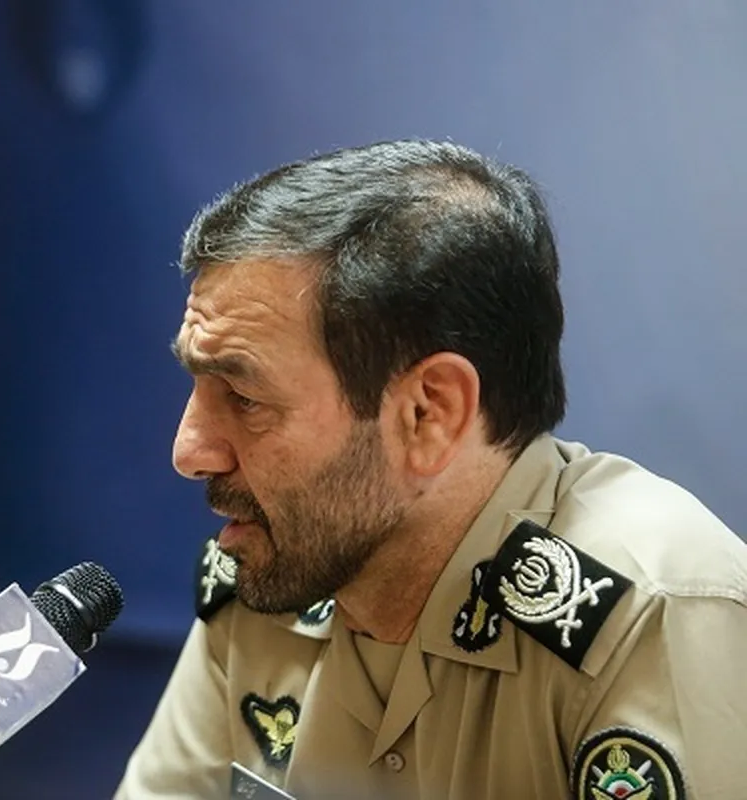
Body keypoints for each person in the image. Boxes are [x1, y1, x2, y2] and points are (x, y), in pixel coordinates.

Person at [113, 140, 747, 799]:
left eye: (244, 398)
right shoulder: (274, 570)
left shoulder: (647, 612)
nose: (188, 451)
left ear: (428, 413)